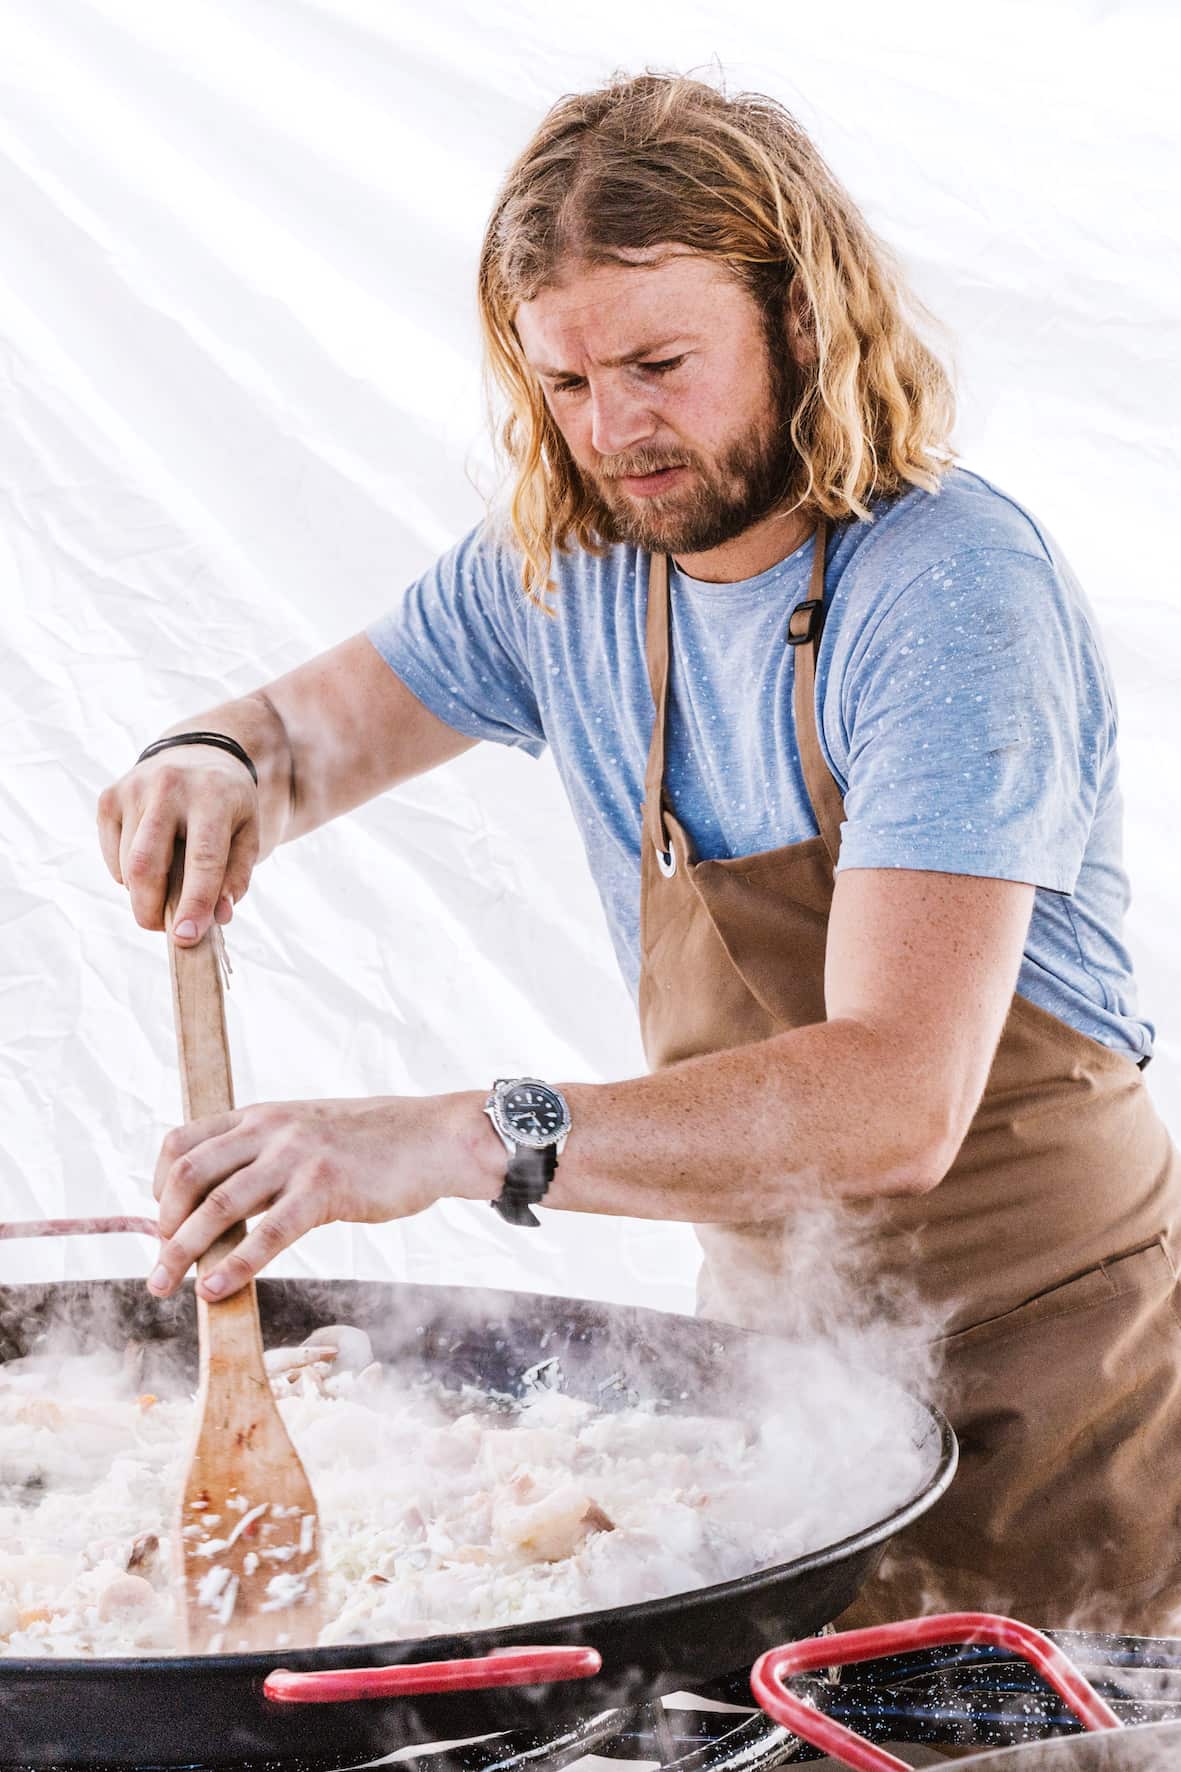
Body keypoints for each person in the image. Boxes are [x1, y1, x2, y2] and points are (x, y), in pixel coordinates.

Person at [97, 73, 1181, 1632]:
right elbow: (284, 739)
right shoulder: (569, 568)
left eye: (662, 366)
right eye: (566, 383)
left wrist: (464, 1133)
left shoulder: (947, 593)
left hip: (1054, 1383)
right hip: (783, 1371)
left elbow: (892, 1100)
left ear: (801, 322)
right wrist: (203, 762)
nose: (614, 432)